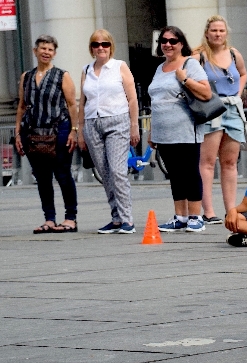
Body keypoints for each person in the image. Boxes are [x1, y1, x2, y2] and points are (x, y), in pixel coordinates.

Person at [149, 26, 213, 233]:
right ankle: (180, 216)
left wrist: (184, 79)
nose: (167, 44)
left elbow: (206, 92)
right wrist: (152, 131)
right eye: (164, 41)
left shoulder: (189, 63)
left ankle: (196, 216)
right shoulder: (160, 68)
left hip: (185, 127)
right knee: (175, 174)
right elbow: (157, 100)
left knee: (190, 171)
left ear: (181, 44)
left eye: (173, 41)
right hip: (162, 129)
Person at [14, 35, 80, 234]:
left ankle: (70, 218)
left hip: (58, 130)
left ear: (54, 53)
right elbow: (22, 106)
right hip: (32, 133)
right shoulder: (26, 77)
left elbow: (71, 105)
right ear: (35, 51)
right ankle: (49, 219)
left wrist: (74, 131)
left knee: (62, 174)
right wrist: (18, 133)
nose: (46, 52)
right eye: (42, 48)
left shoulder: (62, 75)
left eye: (50, 49)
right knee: (42, 177)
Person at [77, 30, 140, 235]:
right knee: (104, 173)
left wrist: (134, 126)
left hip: (117, 121)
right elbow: (82, 103)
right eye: (96, 44)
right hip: (92, 123)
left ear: (111, 46)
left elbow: (132, 99)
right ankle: (115, 218)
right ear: (91, 48)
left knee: (117, 170)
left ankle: (127, 219)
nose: (100, 47)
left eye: (104, 44)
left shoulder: (119, 66)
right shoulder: (86, 70)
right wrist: (79, 131)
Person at [193, 15, 247, 225]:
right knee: (207, 162)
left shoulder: (234, 54)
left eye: (221, 31)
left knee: (229, 162)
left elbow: (243, 74)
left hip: (232, 108)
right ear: (207, 33)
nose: (218, 34)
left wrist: (239, 93)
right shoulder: (199, 56)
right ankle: (208, 210)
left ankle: (230, 209)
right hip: (211, 108)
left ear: (226, 33)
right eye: (214, 30)